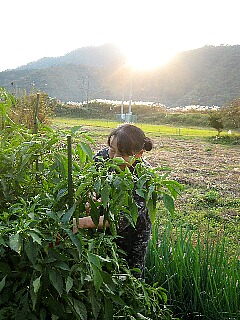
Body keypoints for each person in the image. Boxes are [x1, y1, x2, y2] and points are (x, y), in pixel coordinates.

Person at [73, 123, 153, 278]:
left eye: (122, 154)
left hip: (132, 234)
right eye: (112, 150)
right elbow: (91, 180)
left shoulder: (144, 178)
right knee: (99, 270)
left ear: (139, 154)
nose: (115, 158)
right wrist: (91, 196)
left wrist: (81, 223)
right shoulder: (102, 157)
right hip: (100, 225)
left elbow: (122, 219)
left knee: (128, 276)